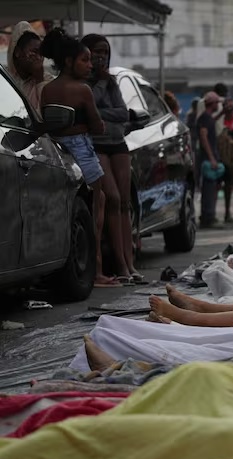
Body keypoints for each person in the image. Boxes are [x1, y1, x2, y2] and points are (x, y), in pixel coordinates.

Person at [40, 28, 121, 288]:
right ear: (68, 62)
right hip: (83, 150)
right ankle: (96, 271)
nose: (90, 65)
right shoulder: (82, 90)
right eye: (84, 60)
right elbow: (98, 126)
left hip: (57, 150)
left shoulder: (47, 89)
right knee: (96, 210)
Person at [81, 33, 141, 283]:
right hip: (97, 144)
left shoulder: (113, 81)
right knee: (113, 199)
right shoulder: (83, 81)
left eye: (105, 51)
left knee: (125, 202)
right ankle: (119, 265)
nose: (101, 56)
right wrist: (101, 89)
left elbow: (122, 113)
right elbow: (89, 109)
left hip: (118, 143)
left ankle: (130, 264)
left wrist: (107, 110)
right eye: (96, 51)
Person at [7, 21, 52, 114]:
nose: (39, 58)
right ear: (17, 52)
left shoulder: (49, 81)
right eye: (34, 52)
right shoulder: (5, 81)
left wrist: (40, 80)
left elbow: (45, 115)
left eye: (41, 53)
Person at [197, 91, 223, 228]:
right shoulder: (205, 119)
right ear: (212, 104)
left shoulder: (208, 118)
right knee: (208, 189)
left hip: (210, 157)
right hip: (208, 159)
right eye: (217, 103)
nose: (218, 105)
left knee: (212, 188)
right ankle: (208, 217)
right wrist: (212, 158)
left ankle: (208, 216)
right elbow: (204, 137)